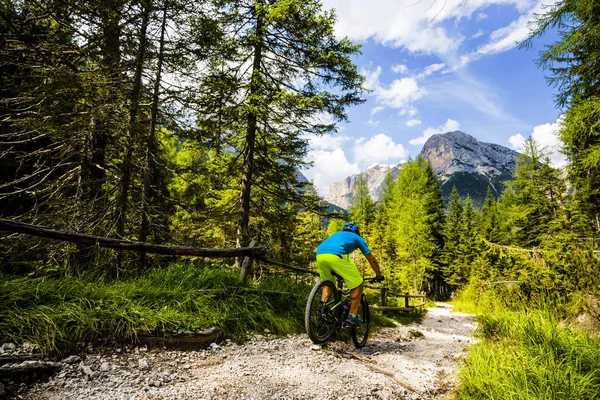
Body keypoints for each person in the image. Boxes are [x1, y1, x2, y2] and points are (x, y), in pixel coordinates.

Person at [315, 222, 383, 326]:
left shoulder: (337, 234)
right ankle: (352, 316)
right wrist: (378, 274)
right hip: (336, 255)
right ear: (357, 232)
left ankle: (322, 308)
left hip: (320, 254)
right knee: (358, 284)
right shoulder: (358, 238)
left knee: (328, 284)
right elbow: (371, 259)